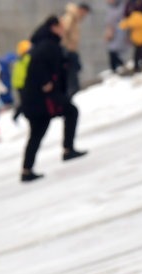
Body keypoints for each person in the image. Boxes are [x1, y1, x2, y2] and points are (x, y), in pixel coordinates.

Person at [20, 15, 87, 182]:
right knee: (70, 112)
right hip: (41, 99)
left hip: (38, 99)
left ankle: (27, 170)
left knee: (38, 131)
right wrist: (46, 83)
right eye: (60, 27)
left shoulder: (47, 44)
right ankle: (67, 150)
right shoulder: (46, 45)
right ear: (53, 27)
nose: (63, 30)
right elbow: (37, 66)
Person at [60, 2, 92, 99]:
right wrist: (65, 45)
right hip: (68, 48)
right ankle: (72, 90)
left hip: (71, 48)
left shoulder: (75, 18)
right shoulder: (70, 17)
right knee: (72, 69)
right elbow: (64, 30)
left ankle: (74, 89)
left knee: (75, 68)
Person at [104, 0, 130, 72]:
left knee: (115, 52)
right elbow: (109, 21)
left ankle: (121, 66)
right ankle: (116, 68)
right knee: (112, 52)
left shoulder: (122, 6)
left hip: (121, 31)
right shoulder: (110, 8)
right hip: (112, 32)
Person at [11, 40, 32, 121]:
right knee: (25, 102)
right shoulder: (27, 58)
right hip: (23, 84)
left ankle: (18, 116)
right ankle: (16, 116)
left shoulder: (19, 59)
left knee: (24, 101)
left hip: (18, 84)